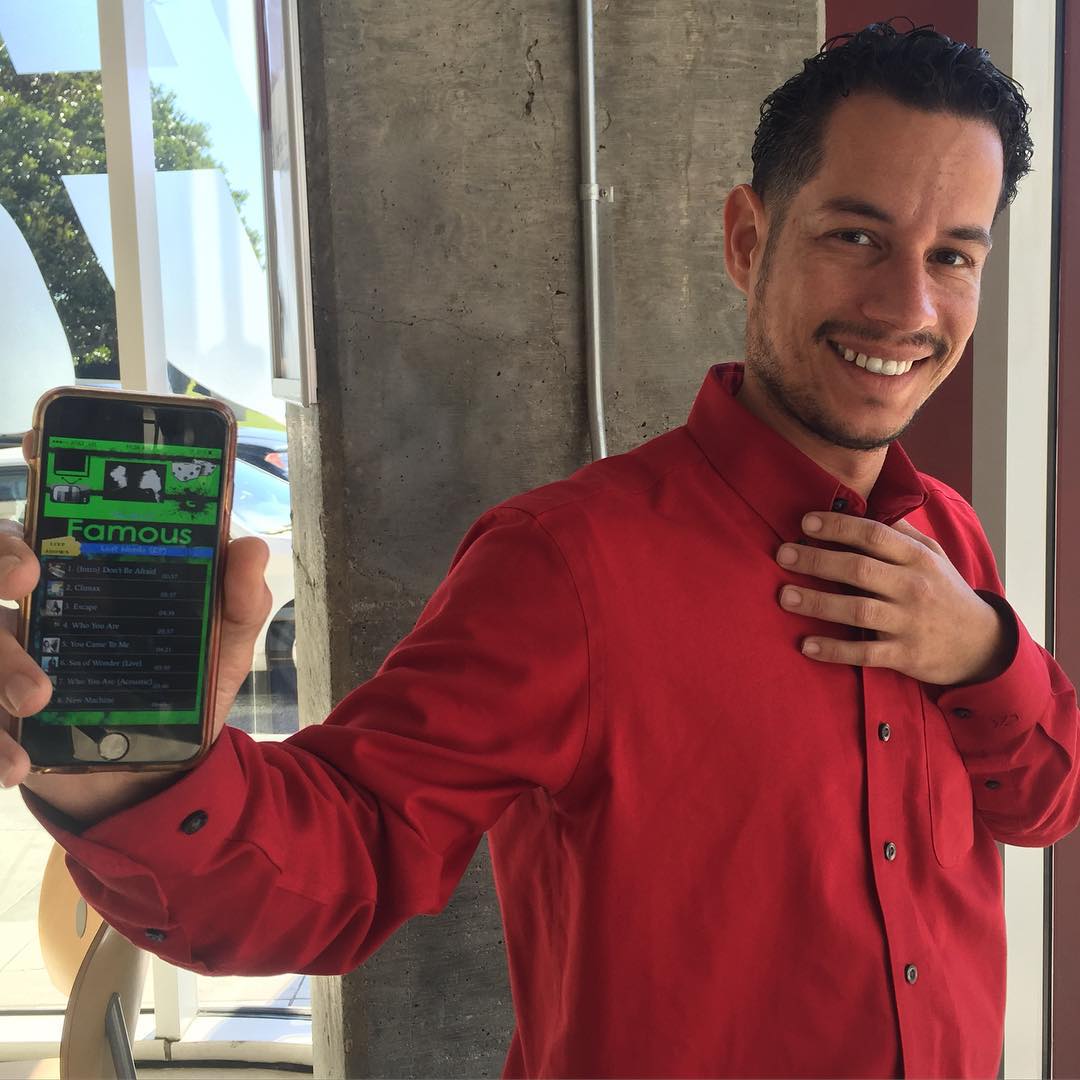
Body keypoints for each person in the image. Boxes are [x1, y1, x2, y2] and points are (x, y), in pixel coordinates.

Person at [0, 20, 1076, 1079]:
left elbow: (1043, 801)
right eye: (858, 237)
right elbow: (354, 850)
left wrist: (986, 651)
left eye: (952, 256)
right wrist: (131, 781)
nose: (909, 305)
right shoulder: (568, 565)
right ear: (748, 240)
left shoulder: (948, 539)